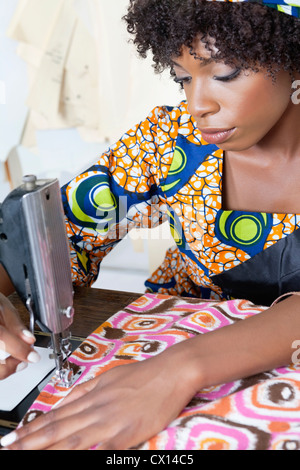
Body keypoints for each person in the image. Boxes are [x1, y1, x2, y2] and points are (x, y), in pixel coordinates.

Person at [1, 0, 300, 450]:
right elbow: (53, 233)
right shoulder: (170, 144)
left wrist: (176, 372)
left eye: (225, 73)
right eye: (183, 78)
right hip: (170, 339)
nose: (198, 103)